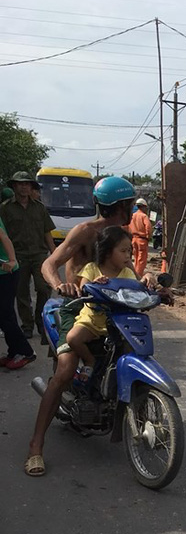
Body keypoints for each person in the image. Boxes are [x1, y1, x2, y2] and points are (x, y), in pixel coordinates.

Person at [25, 175, 138, 477]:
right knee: (64, 370)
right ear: (122, 205)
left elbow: (131, 272)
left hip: (113, 310)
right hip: (77, 308)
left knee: (134, 350)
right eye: (130, 204)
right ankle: (36, 446)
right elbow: (49, 264)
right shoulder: (85, 231)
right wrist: (61, 284)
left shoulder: (121, 234)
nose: (132, 209)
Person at [66, 227, 136, 378]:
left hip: (119, 324)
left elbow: (138, 289)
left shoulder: (128, 273)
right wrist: (94, 285)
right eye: (123, 251)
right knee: (73, 338)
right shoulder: (92, 268)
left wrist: (151, 280)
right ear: (108, 251)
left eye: (129, 251)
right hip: (91, 321)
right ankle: (89, 361)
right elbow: (83, 287)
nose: (128, 256)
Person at [0, 171, 56, 340]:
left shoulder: (39, 208)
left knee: (44, 289)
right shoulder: (5, 208)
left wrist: (55, 255)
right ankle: (27, 325)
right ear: (14, 186)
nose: (24, 187)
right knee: (21, 292)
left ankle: (40, 321)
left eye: (27, 184)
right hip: (18, 256)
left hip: (39, 255)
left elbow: (47, 233)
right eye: (20, 184)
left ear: (31, 187)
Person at [0, 216, 36, 369]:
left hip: (6, 272)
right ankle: (14, 352)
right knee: (6, 314)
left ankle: (26, 351)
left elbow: (3, 237)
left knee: (4, 315)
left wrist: (12, 259)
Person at [128, 197, 153, 278]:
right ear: (143, 206)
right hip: (142, 240)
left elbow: (127, 226)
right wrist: (148, 236)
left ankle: (134, 274)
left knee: (136, 259)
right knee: (141, 260)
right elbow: (148, 227)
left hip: (133, 239)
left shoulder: (132, 216)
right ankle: (137, 277)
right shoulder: (143, 216)